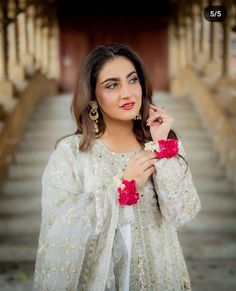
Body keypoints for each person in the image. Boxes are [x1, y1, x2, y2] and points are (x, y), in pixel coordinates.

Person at [33, 43, 201, 291]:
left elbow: (182, 213)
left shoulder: (162, 145)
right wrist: (122, 186)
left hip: (162, 275)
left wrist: (162, 144)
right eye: (112, 85)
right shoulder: (72, 153)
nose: (128, 93)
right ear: (92, 97)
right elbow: (58, 226)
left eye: (133, 80)